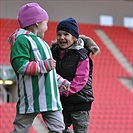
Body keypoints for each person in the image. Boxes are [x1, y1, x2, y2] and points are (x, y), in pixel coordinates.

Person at [8, 3, 70, 133]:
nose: (47, 27)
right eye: (45, 23)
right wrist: (44, 65)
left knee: (58, 128)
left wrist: (61, 82)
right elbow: (20, 65)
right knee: (20, 129)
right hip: (31, 97)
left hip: (49, 97)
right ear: (37, 23)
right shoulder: (22, 40)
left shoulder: (43, 43)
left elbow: (49, 71)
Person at [51, 18, 100, 133]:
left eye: (66, 34)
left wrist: (66, 90)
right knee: (57, 129)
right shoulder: (53, 53)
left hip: (80, 103)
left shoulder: (82, 55)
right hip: (62, 102)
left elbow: (81, 79)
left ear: (74, 37)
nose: (62, 37)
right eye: (59, 34)